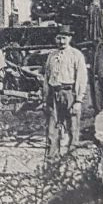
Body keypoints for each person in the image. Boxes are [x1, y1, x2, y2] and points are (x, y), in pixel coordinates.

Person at [43, 25, 90, 160]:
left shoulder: (76, 55)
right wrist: (45, 98)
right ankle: (53, 157)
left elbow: (81, 78)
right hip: (54, 93)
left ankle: (72, 156)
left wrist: (78, 101)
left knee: (72, 126)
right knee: (52, 127)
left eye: (64, 38)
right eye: (58, 38)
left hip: (69, 93)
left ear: (69, 38)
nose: (61, 41)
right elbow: (47, 77)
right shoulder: (51, 56)